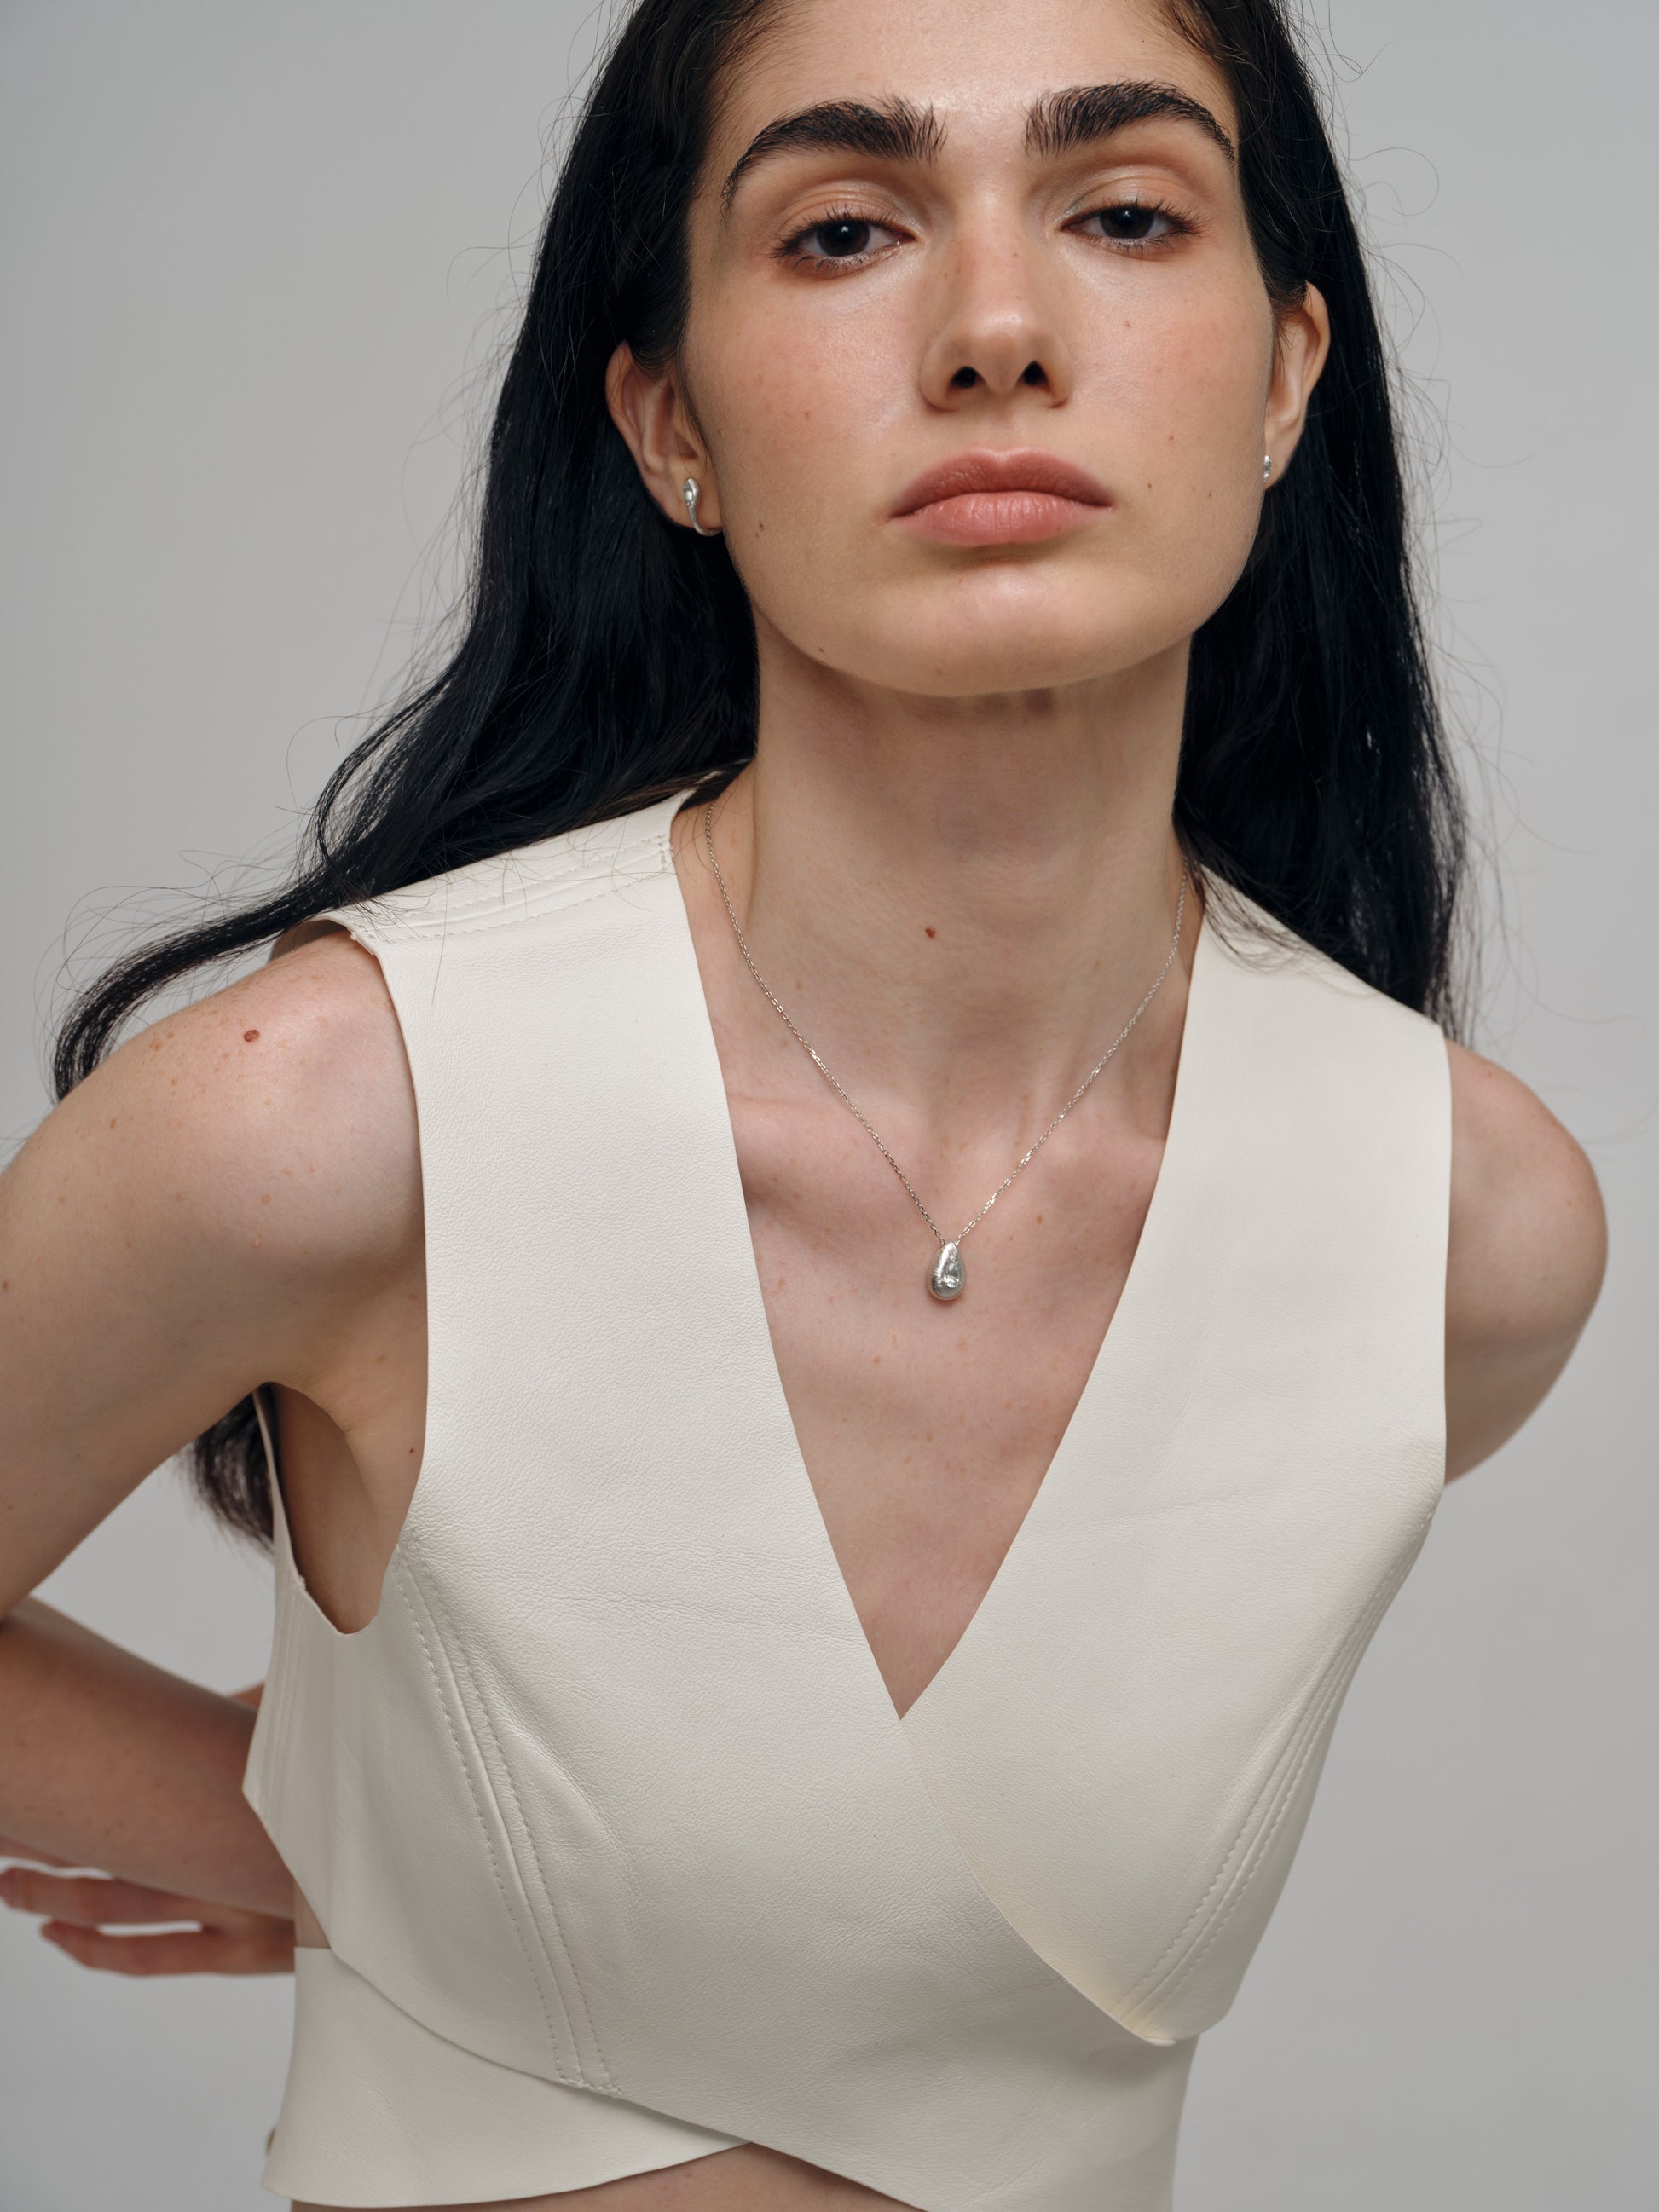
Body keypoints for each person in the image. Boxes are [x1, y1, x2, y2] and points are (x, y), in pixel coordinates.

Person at [0, 0, 1608, 2206]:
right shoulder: (338, 1113)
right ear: (667, 421)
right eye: (844, 229)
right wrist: (291, 1818)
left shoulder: (1459, 1228)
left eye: (1122, 210)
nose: (995, 329)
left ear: (1282, 380)